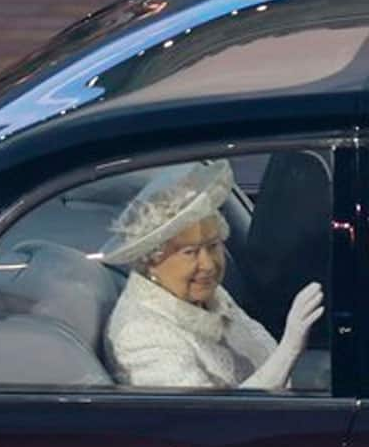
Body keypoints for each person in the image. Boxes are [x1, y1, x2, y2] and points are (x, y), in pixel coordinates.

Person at [101, 160, 323, 389]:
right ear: (151, 259)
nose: (208, 264)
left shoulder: (207, 296)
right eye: (190, 252)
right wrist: (290, 348)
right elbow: (213, 421)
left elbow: (262, 351)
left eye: (213, 245)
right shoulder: (141, 335)